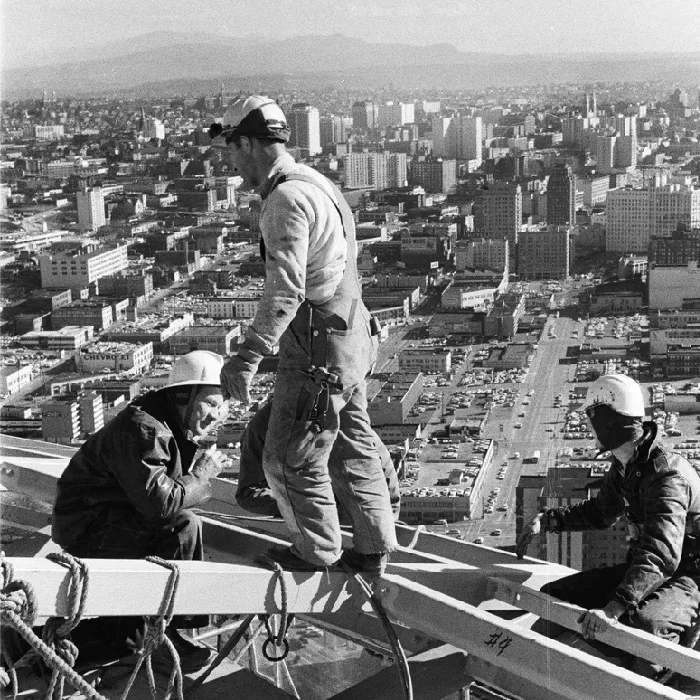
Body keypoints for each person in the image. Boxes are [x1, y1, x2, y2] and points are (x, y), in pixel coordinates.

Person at [210, 95, 398, 573]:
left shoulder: (285, 200)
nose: (231, 162)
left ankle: (315, 551)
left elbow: (285, 290)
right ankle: (373, 547)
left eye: (231, 149)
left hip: (316, 355)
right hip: (350, 343)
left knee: (289, 458)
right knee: (351, 447)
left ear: (248, 143)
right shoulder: (318, 183)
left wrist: (246, 358)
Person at [516, 373, 700, 690]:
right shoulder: (628, 465)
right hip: (649, 569)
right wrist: (548, 521)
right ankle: (529, 673)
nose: (589, 430)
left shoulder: (667, 476)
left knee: (644, 625)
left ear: (607, 423)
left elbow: (660, 554)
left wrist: (613, 609)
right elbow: (601, 513)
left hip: (690, 576)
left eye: (592, 421)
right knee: (555, 596)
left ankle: (661, 676)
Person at [52, 351, 229, 671]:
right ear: (182, 397)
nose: (218, 415)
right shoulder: (146, 430)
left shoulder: (159, 422)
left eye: (222, 406)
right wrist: (201, 476)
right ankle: (159, 634)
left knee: (181, 524)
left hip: (101, 523)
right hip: (91, 531)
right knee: (183, 525)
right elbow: (160, 504)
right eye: (211, 404)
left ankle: (150, 630)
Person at [235, 400, 401, 521]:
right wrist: (307, 506)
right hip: (308, 517)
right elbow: (249, 492)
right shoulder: (266, 423)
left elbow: (387, 491)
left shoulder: (345, 420)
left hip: (359, 517)